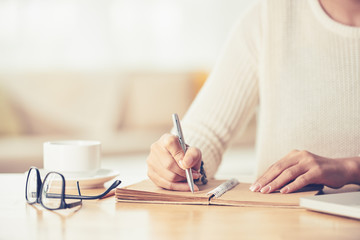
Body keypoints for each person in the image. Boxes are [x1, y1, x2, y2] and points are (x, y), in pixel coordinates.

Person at [146, 0, 360, 193]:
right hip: (282, 226)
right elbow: (207, 131)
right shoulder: (268, 17)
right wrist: (180, 160)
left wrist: (351, 168)